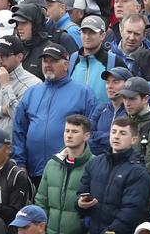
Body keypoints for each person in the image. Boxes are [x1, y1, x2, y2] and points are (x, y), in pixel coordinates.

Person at [12, 44, 98, 183]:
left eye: (53, 61)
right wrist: (20, 163)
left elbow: (92, 132)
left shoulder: (83, 93)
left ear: (66, 65)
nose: (48, 65)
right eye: (45, 61)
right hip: (33, 171)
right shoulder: (32, 93)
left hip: (69, 170)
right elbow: (19, 131)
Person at [77, 117, 150, 234]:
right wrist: (80, 202)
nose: (116, 136)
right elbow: (81, 192)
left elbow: (132, 210)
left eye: (122, 133)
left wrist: (112, 230)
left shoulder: (138, 172)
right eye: (114, 131)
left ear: (134, 140)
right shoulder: (95, 163)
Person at [33, 115, 93, 234]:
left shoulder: (95, 165)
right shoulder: (51, 165)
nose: (69, 135)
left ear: (86, 136)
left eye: (75, 131)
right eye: (67, 131)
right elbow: (41, 201)